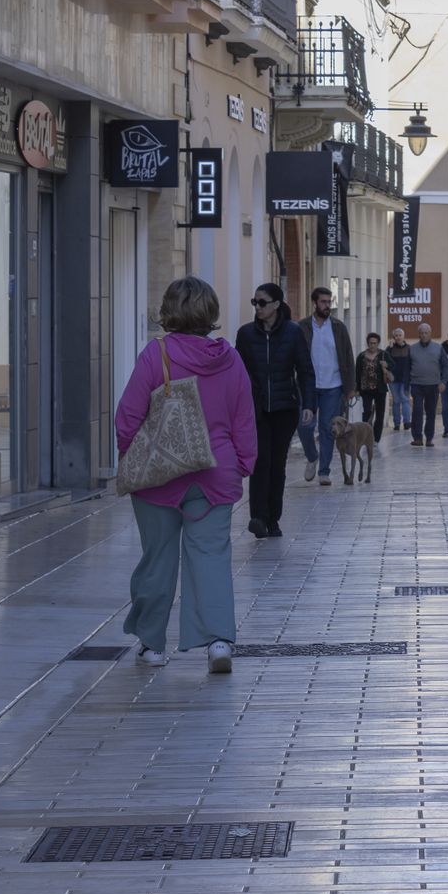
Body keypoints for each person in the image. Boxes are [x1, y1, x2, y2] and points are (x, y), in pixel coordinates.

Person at [116, 277, 257, 674]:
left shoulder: (155, 354)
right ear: (210, 313)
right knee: (211, 556)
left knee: (157, 558)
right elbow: (243, 418)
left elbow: (127, 415)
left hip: (159, 476)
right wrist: (243, 463)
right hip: (216, 475)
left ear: (169, 310)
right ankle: (217, 641)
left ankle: (152, 645)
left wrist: (130, 454)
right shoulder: (230, 359)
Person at [236, 283, 314, 538]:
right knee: (260, 461)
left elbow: (305, 370)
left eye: (262, 302)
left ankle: (273, 518)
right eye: (255, 302)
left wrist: (309, 405)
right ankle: (258, 517)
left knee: (277, 464)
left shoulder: (293, 332)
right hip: (256, 409)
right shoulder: (246, 334)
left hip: (285, 408)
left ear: (276, 305)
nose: (257, 307)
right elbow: (238, 374)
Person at [300, 287, 356, 485]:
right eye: (323, 302)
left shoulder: (339, 327)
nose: (327, 305)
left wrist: (350, 387)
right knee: (305, 426)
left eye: (329, 301)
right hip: (308, 386)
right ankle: (312, 456)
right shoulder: (303, 327)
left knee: (326, 427)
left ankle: (324, 471)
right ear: (315, 303)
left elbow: (348, 356)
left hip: (333, 386)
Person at [407, 323, 445, 447]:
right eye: (421, 333)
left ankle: (429, 438)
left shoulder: (438, 348)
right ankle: (417, 437)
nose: (423, 335)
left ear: (430, 333)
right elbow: (406, 368)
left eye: (426, 333)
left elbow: (445, 366)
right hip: (417, 385)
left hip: (433, 385)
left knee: (430, 412)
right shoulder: (412, 349)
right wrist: (406, 384)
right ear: (419, 334)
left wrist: (443, 381)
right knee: (417, 411)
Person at [356, 332, 394, 442]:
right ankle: (366, 436)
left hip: (380, 389)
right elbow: (357, 373)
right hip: (366, 389)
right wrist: (357, 389)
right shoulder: (361, 356)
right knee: (367, 413)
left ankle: (376, 438)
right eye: (370, 343)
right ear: (367, 343)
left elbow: (393, 365)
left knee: (380, 414)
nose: (372, 345)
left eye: (375, 343)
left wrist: (386, 365)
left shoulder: (383, 354)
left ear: (378, 343)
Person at [387, 328, 412, 431]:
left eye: (399, 335)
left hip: (406, 379)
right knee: (396, 401)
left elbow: (413, 362)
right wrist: (389, 348)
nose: (398, 337)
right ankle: (396, 423)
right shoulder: (390, 349)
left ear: (403, 336)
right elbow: (384, 360)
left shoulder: (410, 348)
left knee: (405, 399)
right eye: (396, 335)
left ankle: (407, 422)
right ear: (394, 337)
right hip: (393, 379)